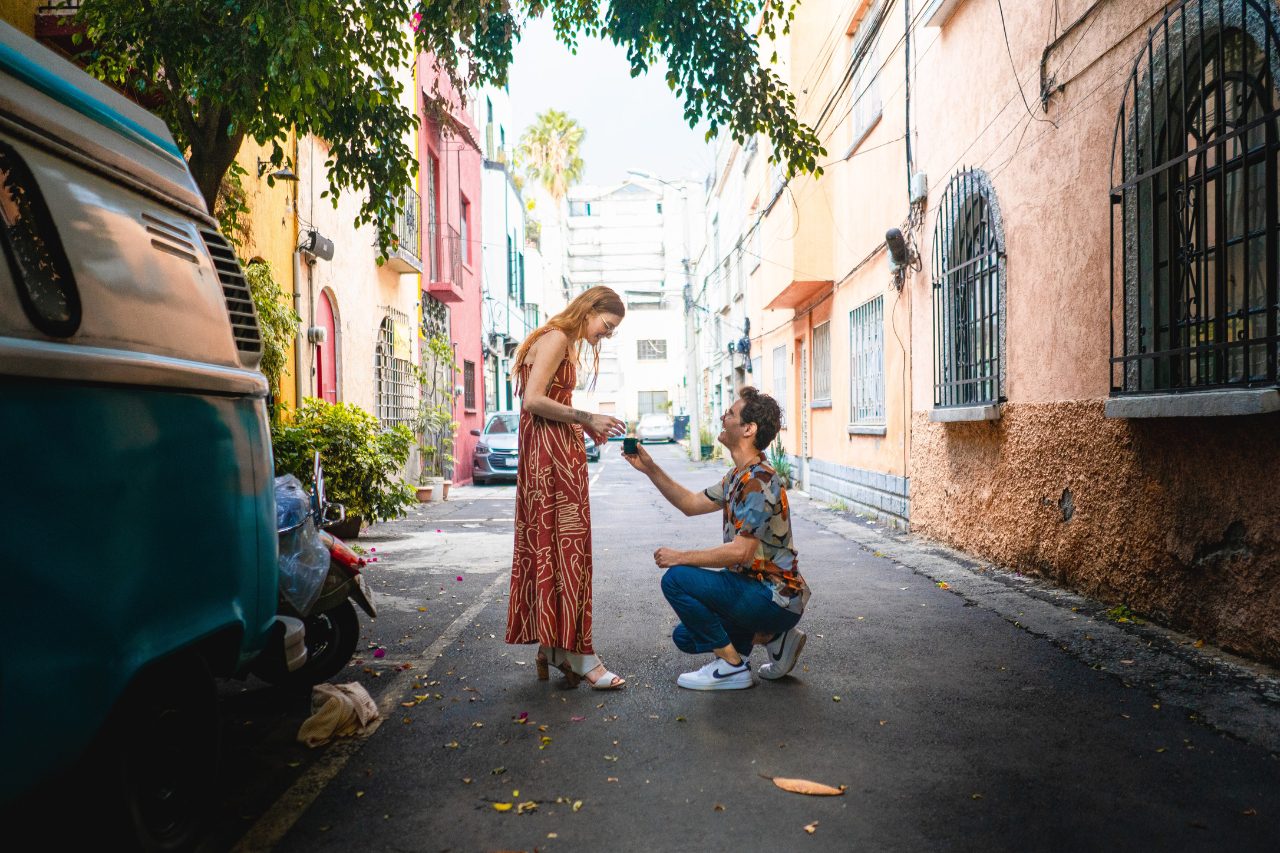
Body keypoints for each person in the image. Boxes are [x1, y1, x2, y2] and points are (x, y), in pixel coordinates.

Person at [624, 387, 809, 690]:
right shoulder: (738, 476)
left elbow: (741, 552)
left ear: (748, 429)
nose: (724, 417)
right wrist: (649, 468)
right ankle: (774, 637)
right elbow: (689, 504)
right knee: (685, 636)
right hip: (755, 594)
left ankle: (732, 667)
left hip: (773, 597)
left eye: (731, 414)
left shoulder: (759, 481)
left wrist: (680, 557)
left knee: (676, 579)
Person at [504, 285, 628, 690]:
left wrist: (580, 426)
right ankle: (582, 657)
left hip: (554, 452)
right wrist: (585, 417)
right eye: (606, 327)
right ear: (590, 309)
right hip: (550, 459)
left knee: (558, 549)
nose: (605, 336)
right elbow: (532, 401)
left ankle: (554, 650)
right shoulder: (557, 337)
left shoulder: (561, 339)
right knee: (566, 549)